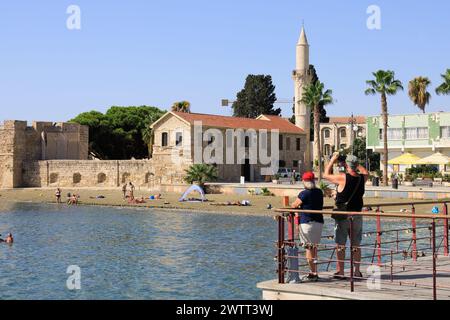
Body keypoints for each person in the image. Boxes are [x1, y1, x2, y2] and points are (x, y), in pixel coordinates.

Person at [324, 152, 368, 279]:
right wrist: (355, 163)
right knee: (356, 244)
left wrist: (333, 159)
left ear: (347, 165)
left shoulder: (343, 177)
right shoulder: (361, 178)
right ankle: (357, 271)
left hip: (343, 216)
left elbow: (325, 175)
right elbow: (365, 172)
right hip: (357, 215)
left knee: (340, 244)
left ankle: (341, 271)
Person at [291, 171, 324, 282]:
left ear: (304, 182)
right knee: (314, 248)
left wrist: (297, 210)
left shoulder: (304, 193)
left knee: (308, 248)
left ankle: (312, 273)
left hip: (307, 223)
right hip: (319, 223)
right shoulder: (319, 192)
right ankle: (315, 271)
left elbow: (294, 204)